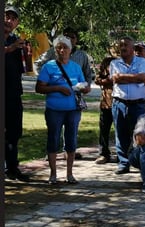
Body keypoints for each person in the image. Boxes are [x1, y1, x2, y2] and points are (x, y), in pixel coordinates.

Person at [35, 35, 91, 184]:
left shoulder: (76, 67)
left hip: (73, 109)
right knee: (53, 139)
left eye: (65, 47)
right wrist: (58, 88)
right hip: (54, 109)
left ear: (70, 50)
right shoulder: (49, 66)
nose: (62, 50)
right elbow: (39, 87)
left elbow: (85, 84)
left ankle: (70, 174)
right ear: (55, 50)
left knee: (71, 141)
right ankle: (53, 175)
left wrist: (85, 88)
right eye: (59, 47)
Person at [110, 36, 145, 174]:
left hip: (138, 104)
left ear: (132, 48)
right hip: (119, 103)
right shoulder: (114, 63)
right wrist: (135, 78)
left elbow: (142, 78)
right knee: (121, 133)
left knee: (139, 133)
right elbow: (115, 79)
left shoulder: (143, 62)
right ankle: (123, 163)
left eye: (126, 45)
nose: (123, 47)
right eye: (121, 45)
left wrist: (123, 77)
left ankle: (139, 160)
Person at [4, 5, 30, 180]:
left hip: (13, 93)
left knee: (14, 133)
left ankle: (12, 168)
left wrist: (28, 55)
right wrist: (11, 48)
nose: (9, 20)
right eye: (6, 16)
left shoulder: (16, 39)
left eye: (13, 18)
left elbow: (26, 69)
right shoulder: (12, 43)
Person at [94, 56, 117, 164]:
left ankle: (122, 154)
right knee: (104, 130)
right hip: (106, 104)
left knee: (121, 131)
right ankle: (104, 153)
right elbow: (97, 80)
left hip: (119, 103)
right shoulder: (105, 66)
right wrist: (106, 80)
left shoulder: (122, 67)